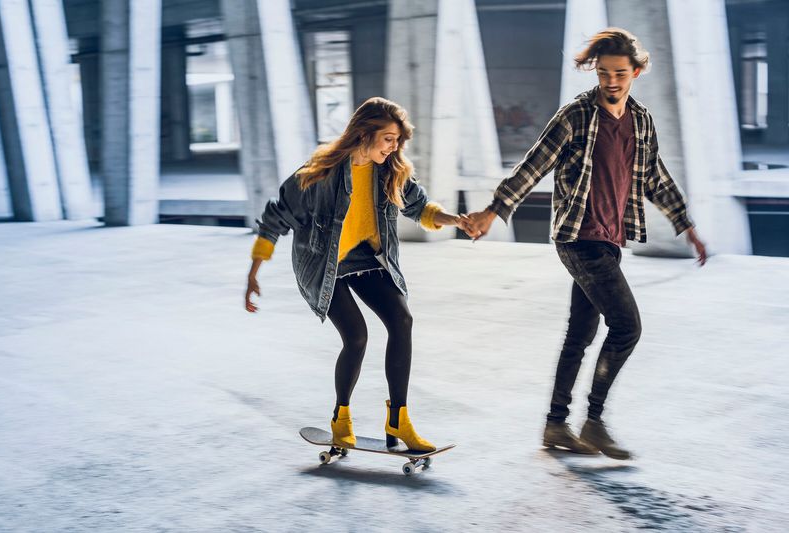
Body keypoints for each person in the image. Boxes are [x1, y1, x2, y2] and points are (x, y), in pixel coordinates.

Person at [467, 28, 707, 459]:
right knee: (627, 326)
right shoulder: (576, 116)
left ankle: (555, 426)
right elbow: (533, 163)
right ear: (594, 72)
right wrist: (494, 209)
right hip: (578, 237)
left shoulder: (642, 120)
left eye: (619, 73)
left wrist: (685, 223)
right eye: (603, 73)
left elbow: (654, 176)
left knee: (580, 334)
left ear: (636, 72)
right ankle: (594, 422)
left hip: (611, 240)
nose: (611, 82)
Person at [245, 97, 470, 451]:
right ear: (364, 134)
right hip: (324, 264)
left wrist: (454, 220)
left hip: (367, 259)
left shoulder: (389, 171)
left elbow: (420, 207)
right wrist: (254, 273)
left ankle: (399, 420)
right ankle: (341, 418)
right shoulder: (319, 174)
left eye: (397, 141)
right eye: (388, 139)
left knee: (402, 320)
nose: (394, 147)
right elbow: (276, 217)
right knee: (357, 337)